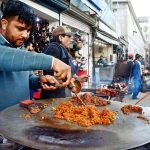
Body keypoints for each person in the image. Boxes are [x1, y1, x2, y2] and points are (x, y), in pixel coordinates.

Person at [0, 0, 72, 110]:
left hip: (20, 119)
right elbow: (5, 56)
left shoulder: (20, 48)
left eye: (28, 31)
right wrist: (52, 62)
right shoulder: (7, 52)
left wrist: (39, 80)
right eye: (20, 28)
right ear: (4, 24)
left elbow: (28, 79)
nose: (25, 35)